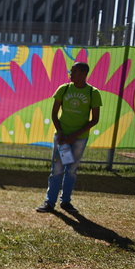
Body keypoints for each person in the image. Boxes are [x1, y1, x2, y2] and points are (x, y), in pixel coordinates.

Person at [36, 61, 102, 214]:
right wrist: (62, 134)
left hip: (78, 139)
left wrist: (74, 136)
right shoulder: (64, 89)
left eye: (73, 71)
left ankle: (65, 202)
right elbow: (54, 113)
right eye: (70, 71)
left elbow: (95, 119)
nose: (70, 74)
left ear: (83, 74)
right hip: (63, 138)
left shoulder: (93, 93)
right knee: (57, 169)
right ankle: (49, 202)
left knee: (71, 170)